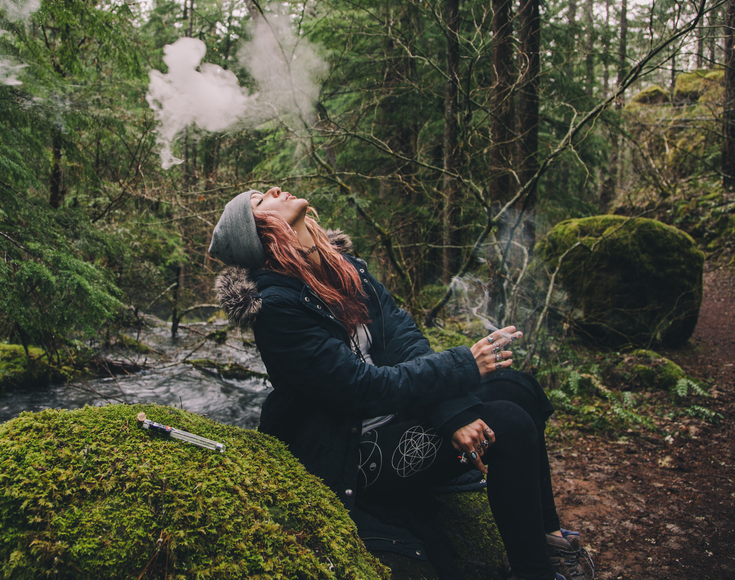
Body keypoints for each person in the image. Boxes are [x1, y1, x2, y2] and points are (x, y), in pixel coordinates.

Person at [209, 187, 595, 580]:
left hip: (398, 413)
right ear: (260, 235)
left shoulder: (347, 268)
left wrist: (452, 413)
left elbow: (404, 341)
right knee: (508, 424)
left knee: (518, 389)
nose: (273, 190)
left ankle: (549, 542)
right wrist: (464, 365)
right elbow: (360, 388)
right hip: (353, 451)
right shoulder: (276, 307)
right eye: (259, 202)